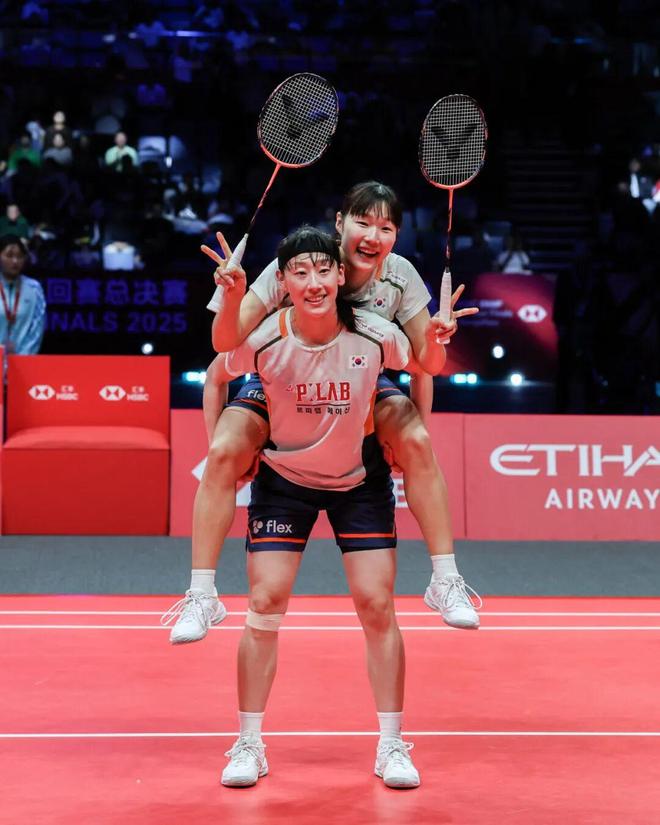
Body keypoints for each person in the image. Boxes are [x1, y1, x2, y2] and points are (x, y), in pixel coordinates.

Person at [166, 182, 481, 646]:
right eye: (362, 222)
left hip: (358, 381)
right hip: (280, 379)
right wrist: (232, 297)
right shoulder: (299, 264)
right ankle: (201, 594)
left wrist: (434, 347)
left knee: (416, 440)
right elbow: (223, 345)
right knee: (225, 448)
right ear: (339, 223)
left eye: (386, 227)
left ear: (396, 236)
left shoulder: (400, 276)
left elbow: (426, 366)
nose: (372, 235)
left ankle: (445, 579)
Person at [204, 226, 456, 788]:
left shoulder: (375, 331)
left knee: (377, 605)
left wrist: (433, 355)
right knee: (263, 604)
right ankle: (248, 743)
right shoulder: (267, 335)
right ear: (283, 282)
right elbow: (216, 370)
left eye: (323, 271)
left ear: (341, 275)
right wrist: (226, 447)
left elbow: (425, 368)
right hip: (286, 476)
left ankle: (392, 745)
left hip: (356, 476)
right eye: (301, 273)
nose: (314, 282)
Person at [0, 234, 46, 366]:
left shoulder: (34, 289)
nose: (15, 261)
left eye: (19, 256)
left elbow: (37, 329)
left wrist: (22, 360)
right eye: (9, 255)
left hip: (24, 363)